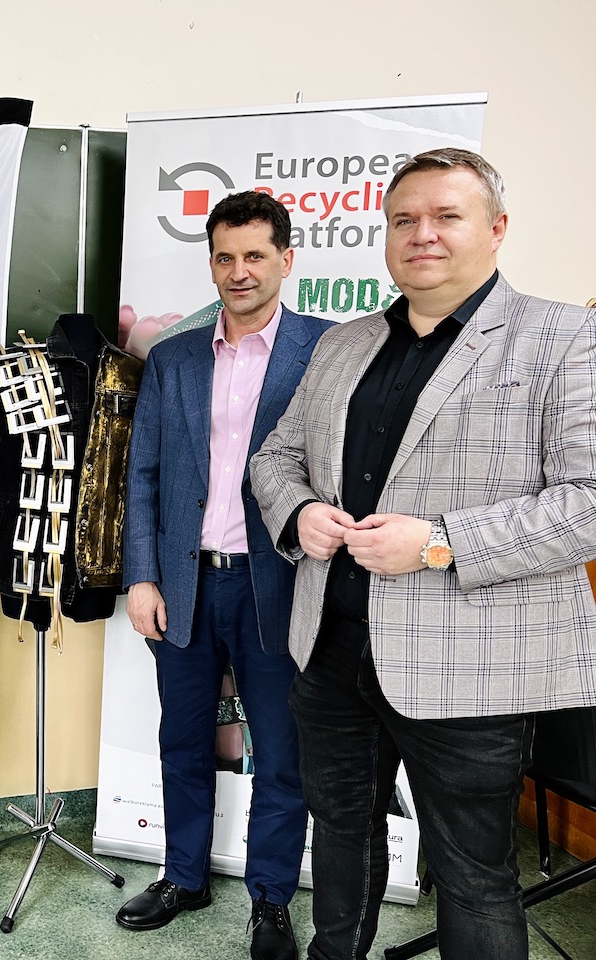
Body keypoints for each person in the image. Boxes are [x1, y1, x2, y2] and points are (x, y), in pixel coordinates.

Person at [251, 148, 596, 960]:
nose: (422, 234)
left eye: (446, 216)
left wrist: (439, 543)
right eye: (404, 219)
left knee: (474, 876)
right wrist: (298, 511)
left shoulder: (565, 336)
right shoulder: (345, 342)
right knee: (341, 837)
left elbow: (588, 501)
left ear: (497, 228)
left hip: (472, 664)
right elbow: (276, 455)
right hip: (332, 647)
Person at [120, 191, 331, 959]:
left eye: (255, 256)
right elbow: (144, 474)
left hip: (277, 583)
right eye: (225, 257)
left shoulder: (327, 350)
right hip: (184, 585)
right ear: (211, 263)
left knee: (280, 751)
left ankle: (270, 899)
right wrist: (142, 577)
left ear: (286, 259)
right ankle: (183, 876)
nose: (239, 271)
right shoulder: (174, 358)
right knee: (182, 738)